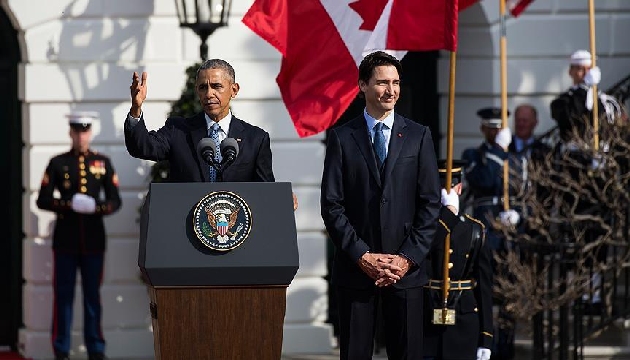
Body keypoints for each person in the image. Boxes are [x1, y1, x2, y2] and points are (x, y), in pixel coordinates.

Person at [320, 50, 441, 360]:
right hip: (357, 272)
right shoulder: (342, 138)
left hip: (406, 274)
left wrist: (406, 259)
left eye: (396, 83)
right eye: (382, 83)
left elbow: (429, 204)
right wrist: (363, 256)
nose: (391, 91)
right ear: (362, 86)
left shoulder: (418, 135)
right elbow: (332, 205)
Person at [36, 112, 122, 360]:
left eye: (84, 131)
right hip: (65, 241)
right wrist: (67, 204)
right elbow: (42, 199)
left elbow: (115, 201)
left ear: (90, 133)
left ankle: (95, 349)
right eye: (77, 131)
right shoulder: (58, 163)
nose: (81, 136)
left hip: (94, 241)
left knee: (92, 297)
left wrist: (95, 207)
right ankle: (61, 350)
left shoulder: (102, 162)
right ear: (70, 133)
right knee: (62, 297)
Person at [125, 58, 275, 183]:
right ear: (197, 91)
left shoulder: (255, 139)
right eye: (203, 87)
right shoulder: (178, 130)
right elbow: (142, 147)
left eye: (217, 86)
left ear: (234, 90)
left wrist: (281, 198)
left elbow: (265, 190)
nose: (209, 94)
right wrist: (136, 108)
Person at [461, 107, 518, 360]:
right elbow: (483, 180)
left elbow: (524, 191)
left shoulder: (516, 157)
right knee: (484, 290)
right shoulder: (473, 155)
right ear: (483, 129)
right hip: (486, 232)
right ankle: (486, 343)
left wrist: (519, 214)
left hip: (509, 234)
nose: (495, 132)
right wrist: (499, 153)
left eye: (498, 128)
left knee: (509, 297)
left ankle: (506, 348)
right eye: (491, 128)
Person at [423, 160, 494, 360]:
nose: (446, 193)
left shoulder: (475, 229)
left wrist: (486, 337)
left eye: (450, 187)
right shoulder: (422, 226)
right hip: (427, 319)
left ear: (459, 189)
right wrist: (447, 216)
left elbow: (484, 288)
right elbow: (422, 250)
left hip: (463, 321)